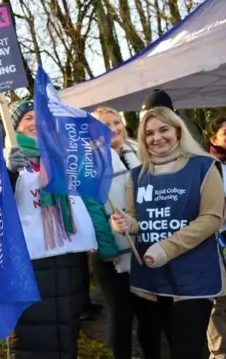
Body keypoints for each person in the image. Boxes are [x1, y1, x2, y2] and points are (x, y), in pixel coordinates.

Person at [4, 100, 119, 359]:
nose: (35, 122)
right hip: (30, 264)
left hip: (70, 261)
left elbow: (89, 202)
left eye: (41, 117)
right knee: (31, 336)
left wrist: (106, 243)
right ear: (15, 126)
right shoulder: (7, 159)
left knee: (65, 332)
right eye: (28, 117)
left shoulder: (66, 158)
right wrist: (9, 172)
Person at [111, 106, 225, 359]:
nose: (157, 137)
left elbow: (212, 218)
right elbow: (138, 220)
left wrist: (167, 248)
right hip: (153, 276)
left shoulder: (204, 167)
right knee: (166, 345)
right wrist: (124, 223)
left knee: (188, 349)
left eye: (163, 130)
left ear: (177, 131)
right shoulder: (136, 175)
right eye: (149, 133)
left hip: (194, 273)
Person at [91, 106, 141, 359]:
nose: (113, 129)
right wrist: (106, 242)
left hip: (145, 246)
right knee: (121, 312)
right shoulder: (89, 164)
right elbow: (89, 210)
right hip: (110, 249)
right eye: (105, 125)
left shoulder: (140, 152)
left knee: (148, 311)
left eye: (116, 122)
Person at [206, 115, 226, 359]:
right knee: (219, 301)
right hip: (215, 242)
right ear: (213, 139)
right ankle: (219, 353)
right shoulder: (208, 166)